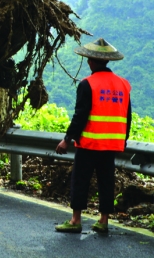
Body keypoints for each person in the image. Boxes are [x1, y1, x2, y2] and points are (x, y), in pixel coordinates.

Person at [55, 38, 132, 234]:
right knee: (106, 182)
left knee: (80, 180)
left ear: (91, 61)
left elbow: (80, 115)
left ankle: (75, 220)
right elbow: (127, 116)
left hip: (90, 143)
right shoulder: (124, 85)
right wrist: (123, 140)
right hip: (111, 144)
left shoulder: (87, 84)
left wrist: (67, 139)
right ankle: (103, 220)